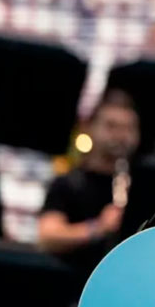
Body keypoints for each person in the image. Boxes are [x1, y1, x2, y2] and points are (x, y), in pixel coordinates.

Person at [38, 89, 140, 285]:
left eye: (129, 128)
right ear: (90, 128)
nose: (121, 136)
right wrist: (98, 227)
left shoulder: (143, 186)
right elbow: (47, 236)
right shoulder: (69, 183)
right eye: (111, 126)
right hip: (76, 283)